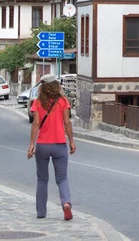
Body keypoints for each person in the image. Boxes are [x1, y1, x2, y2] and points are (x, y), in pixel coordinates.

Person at [27, 73, 76, 220]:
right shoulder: (63, 101)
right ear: (56, 85)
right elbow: (67, 123)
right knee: (62, 178)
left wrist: (31, 144)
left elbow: (36, 124)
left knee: (42, 179)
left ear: (42, 86)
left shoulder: (37, 102)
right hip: (59, 144)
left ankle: (41, 212)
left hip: (42, 145)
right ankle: (66, 203)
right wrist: (72, 142)